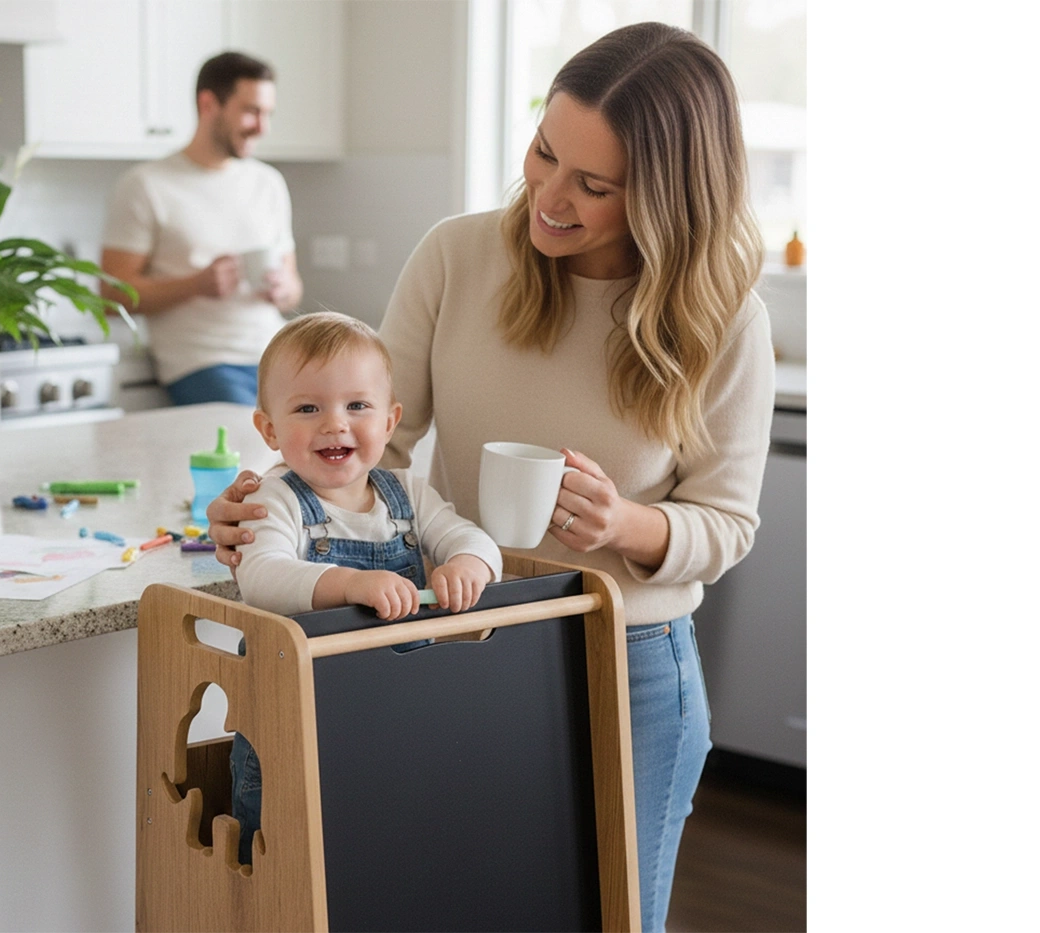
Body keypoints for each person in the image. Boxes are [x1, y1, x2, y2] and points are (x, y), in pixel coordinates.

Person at [207, 22, 774, 932]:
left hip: (631, 661)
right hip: (469, 645)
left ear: (667, 198)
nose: (548, 195)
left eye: (593, 185)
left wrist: (623, 524)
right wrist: (273, 505)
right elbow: (371, 445)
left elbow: (727, 523)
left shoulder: (725, 321)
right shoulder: (458, 256)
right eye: (545, 152)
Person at [228, 310, 502, 865]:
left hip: (395, 721)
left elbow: (473, 539)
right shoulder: (273, 499)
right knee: (285, 862)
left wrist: (468, 565)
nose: (335, 424)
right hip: (291, 726)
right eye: (308, 408)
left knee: (382, 853)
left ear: (390, 420)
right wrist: (351, 583)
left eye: (357, 406)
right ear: (269, 429)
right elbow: (261, 576)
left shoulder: (409, 493)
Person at [98, 51, 304, 407]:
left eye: (267, 113)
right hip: (203, 364)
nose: (263, 127)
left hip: (277, 356)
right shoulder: (146, 185)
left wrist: (284, 289)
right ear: (208, 104)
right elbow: (111, 297)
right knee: (251, 439)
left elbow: (293, 288)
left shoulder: (268, 183)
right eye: (251, 111)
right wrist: (196, 285)